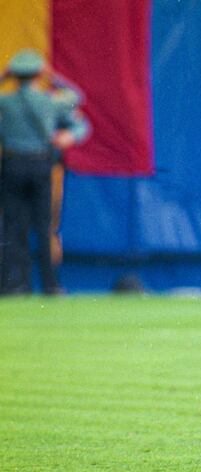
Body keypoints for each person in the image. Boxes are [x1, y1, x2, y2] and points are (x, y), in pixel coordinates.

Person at [0, 49, 89, 295]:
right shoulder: (50, 101)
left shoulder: (5, 102)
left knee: (11, 227)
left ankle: (12, 284)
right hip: (41, 166)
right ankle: (51, 285)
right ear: (37, 74)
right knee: (44, 225)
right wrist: (51, 77)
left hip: (12, 166)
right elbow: (77, 97)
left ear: (15, 75)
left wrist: (3, 77)